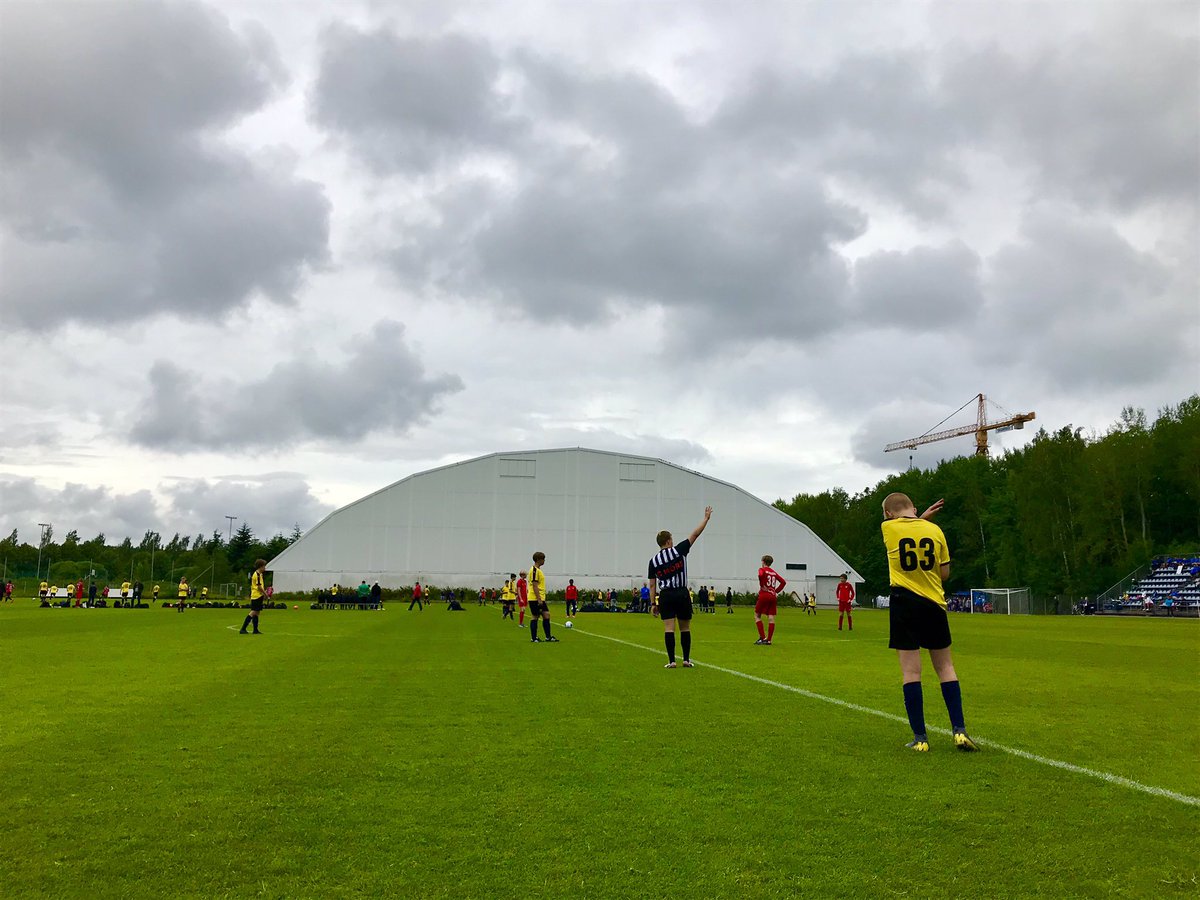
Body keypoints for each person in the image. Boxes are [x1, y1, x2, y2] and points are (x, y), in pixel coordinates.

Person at [881, 493, 977, 752]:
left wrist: (917, 519)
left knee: (911, 672)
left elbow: (904, 530)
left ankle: (920, 738)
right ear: (913, 507)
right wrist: (923, 520)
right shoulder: (936, 531)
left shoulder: (888, 528)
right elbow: (944, 573)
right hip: (934, 604)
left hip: (904, 603)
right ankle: (959, 730)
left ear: (889, 514)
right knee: (945, 667)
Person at [649, 506, 713, 668]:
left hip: (666, 595)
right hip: (682, 593)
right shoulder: (679, 550)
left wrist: (653, 604)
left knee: (669, 628)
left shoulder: (654, 561)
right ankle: (686, 659)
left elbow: (652, 584)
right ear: (669, 541)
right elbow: (695, 534)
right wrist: (705, 519)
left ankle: (671, 661)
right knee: (685, 628)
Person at [754, 555, 786, 645]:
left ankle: (762, 637)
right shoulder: (774, 572)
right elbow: (783, 582)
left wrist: (762, 584)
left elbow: (760, 575)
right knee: (771, 617)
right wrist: (776, 591)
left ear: (763, 561)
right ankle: (769, 640)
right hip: (773, 596)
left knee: (757, 616)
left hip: (764, 594)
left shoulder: (762, 569)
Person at [528, 552, 558, 642]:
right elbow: (534, 585)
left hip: (540, 597)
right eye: (543, 559)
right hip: (535, 598)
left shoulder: (539, 570)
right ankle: (534, 638)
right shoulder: (534, 570)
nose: (544, 560)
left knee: (546, 615)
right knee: (535, 616)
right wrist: (539, 599)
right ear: (538, 559)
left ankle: (548, 637)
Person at [239, 559, 268, 635]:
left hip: (258, 595)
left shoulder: (260, 574)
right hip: (256, 595)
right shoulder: (257, 575)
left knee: (257, 612)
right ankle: (243, 628)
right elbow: (259, 587)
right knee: (253, 612)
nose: (265, 568)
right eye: (264, 566)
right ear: (260, 566)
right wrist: (265, 594)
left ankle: (255, 629)